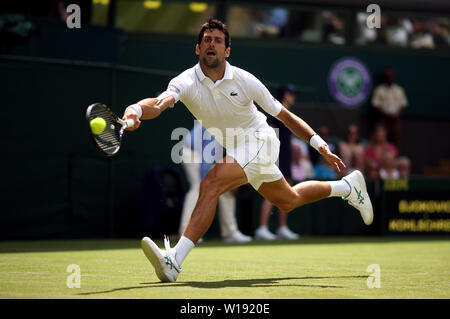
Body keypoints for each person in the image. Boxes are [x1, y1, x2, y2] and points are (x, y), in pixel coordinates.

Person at [122, 18, 373, 283]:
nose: (212, 44)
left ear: (227, 51)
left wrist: (318, 142)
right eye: (207, 40)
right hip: (241, 150)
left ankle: (174, 261)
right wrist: (136, 110)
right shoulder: (185, 81)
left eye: (218, 41)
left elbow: (286, 117)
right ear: (198, 49)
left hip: (261, 141)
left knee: (211, 183)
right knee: (288, 200)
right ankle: (348, 187)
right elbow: (160, 103)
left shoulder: (244, 80)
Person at [179, 121, 252, 243]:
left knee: (226, 189)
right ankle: (185, 232)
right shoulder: (218, 122)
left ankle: (230, 232)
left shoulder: (236, 125)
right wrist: (205, 183)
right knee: (198, 187)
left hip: (212, 156)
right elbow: (206, 156)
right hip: (192, 152)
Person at [255, 84, 300, 241]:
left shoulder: (287, 113)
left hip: (286, 157)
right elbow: (271, 135)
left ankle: (282, 228)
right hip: (276, 156)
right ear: (285, 95)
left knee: (286, 190)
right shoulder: (275, 111)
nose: (293, 97)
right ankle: (262, 228)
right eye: (291, 93)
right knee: (272, 191)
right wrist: (271, 157)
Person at [371, 67, 408, 149]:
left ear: (394, 76)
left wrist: (397, 115)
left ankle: (394, 158)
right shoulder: (379, 90)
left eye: (391, 76)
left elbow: (403, 105)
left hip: (396, 120)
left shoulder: (399, 90)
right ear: (384, 77)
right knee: (381, 140)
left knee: (396, 140)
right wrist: (386, 115)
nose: (389, 78)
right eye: (387, 76)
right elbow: (376, 105)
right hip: (384, 120)